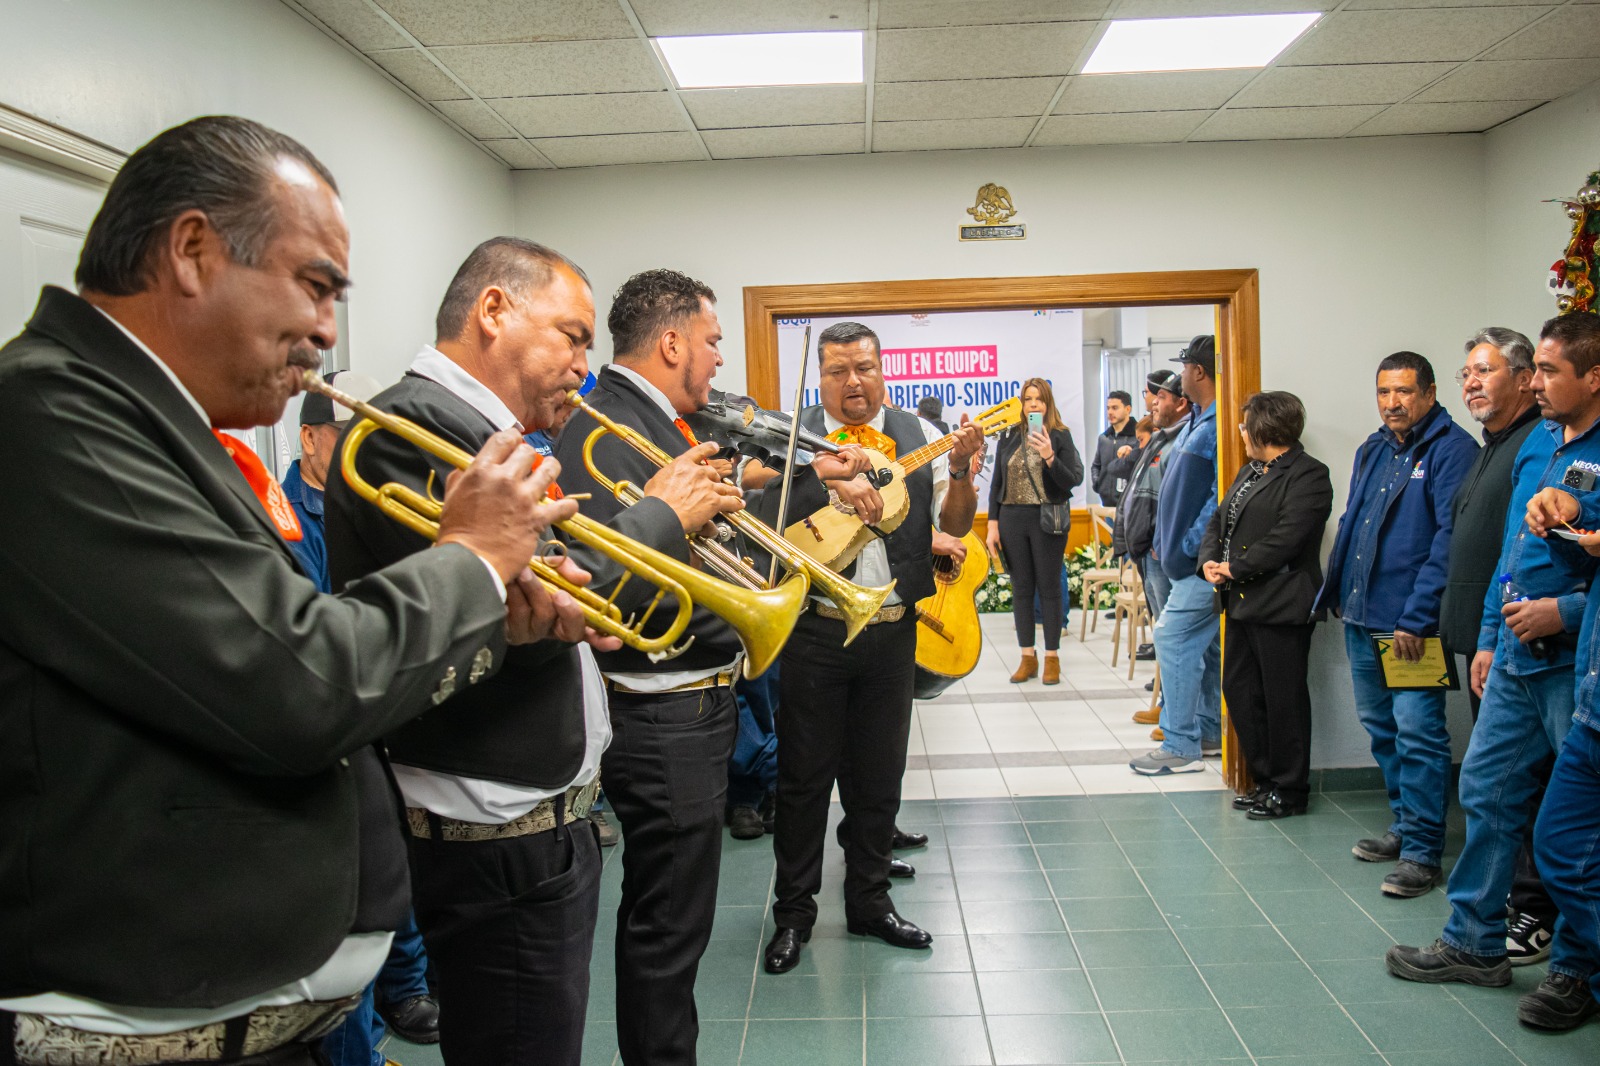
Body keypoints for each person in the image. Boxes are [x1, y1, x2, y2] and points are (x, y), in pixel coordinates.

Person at [0, 116, 576, 1066]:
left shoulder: (159, 425)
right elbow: (299, 685)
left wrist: (492, 618)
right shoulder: (52, 412)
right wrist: (471, 558)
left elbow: (275, 642)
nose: (327, 329)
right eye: (315, 286)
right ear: (191, 251)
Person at [325, 237, 630, 1066]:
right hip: (493, 828)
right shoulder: (419, 423)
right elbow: (475, 618)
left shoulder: (486, 431)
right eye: (573, 335)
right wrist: (661, 518)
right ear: (494, 311)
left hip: (530, 819)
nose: (584, 363)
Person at [552, 268, 756, 1066]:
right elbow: (608, 584)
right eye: (711, 342)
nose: (716, 363)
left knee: (676, 924)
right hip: (661, 710)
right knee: (668, 930)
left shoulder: (652, 419)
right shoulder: (610, 424)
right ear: (671, 342)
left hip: (688, 704)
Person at [1386, 313, 1600, 1031]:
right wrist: (1485, 635)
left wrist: (1564, 614)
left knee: (1578, 826)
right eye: (1533, 369)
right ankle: (1475, 942)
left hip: (1575, 659)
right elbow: (1512, 549)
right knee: (1484, 788)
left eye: (1548, 372)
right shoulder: (1538, 441)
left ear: (1593, 378)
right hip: (1512, 655)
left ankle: (1576, 966)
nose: (1535, 384)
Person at [760, 321, 981, 975]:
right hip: (815, 628)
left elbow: (956, 523)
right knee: (802, 782)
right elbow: (764, 510)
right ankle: (794, 915)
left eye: (864, 367)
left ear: (883, 369)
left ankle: (870, 904)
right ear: (819, 377)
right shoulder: (792, 432)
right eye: (837, 370)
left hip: (891, 631)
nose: (852, 382)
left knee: (879, 777)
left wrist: (964, 468)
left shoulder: (915, 434)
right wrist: (822, 478)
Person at [288, 371, 445, 1062]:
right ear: (311, 438)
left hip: (381, 689)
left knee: (394, 863)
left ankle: (405, 988)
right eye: (344, 437)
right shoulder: (285, 509)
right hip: (337, 696)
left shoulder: (374, 500)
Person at [1314, 351, 1479, 897]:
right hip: (1362, 618)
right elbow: (1354, 521)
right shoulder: (1375, 447)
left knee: (1419, 734)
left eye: (1404, 392)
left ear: (1430, 393)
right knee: (1383, 730)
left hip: (1413, 629)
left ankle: (1423, 852)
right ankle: (1405, 826)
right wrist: (1336, 591)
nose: (1392, 403)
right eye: (1384, 392)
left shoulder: (1453, 452)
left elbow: (1448, 544)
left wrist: (1416, 618)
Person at [1438, 327, 1553, 960]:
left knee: (1533, 788)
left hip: (1540, 646)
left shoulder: (1535, 442)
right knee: (1493, 783)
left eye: (1484, 371)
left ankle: (1533, 912)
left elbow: (1533, 554)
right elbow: (1498, 546)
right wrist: (1481, 633)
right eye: (1467, 374)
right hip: (1495, 639)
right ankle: (1495, 914)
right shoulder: (1498, 445)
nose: (1472, 383)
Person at [1199, 391, 1333, 818]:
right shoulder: (1252, 470)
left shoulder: (1309, 475)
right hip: (1241, 602)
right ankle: (1265, 780)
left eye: (1244, 425)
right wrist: (1208, 560)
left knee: (1283, 701)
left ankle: (1290, 789)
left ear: (1263, 428)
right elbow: (1219, 519)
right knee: (1240, 691)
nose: (1240, 432)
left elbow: (1287, 539)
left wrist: (1233, 567)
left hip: (1282, 604)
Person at [1131, 335, 1223, 774]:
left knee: (1172, 638)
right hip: (1179, 560)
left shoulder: (1218, 425)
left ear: (1198, 372)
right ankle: (1206, 732)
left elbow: (1218, 498)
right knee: (1202, 649)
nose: (1180, 374)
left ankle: (1181, 744)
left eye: (1184, 367)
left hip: (1197, 566)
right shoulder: (1198, 421)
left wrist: (1190, 546)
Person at [984, 377, 1084, 685]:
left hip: (1047, 520)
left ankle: (1052, 656)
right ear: (1022, 404)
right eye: (1028, 399)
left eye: (1039, 399)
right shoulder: (1010, 436)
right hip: (1012, 518)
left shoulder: (1060, 435)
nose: (1033, 405)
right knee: (1022, 589)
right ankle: (1027, 656)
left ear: (1048, 403)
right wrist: (992, 524)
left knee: (1050, 588)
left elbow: (1074, 479)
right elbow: (997, 482)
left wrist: (1050, 456)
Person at [1115, 369, 1191, 686]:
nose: (1152, 405)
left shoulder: (1183, 440)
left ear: (1181, 403)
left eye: (1160, 398)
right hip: (1149, 550)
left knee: (1173, 637)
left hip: (1162, 552)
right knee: (1163, 632)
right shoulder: (1161, 437)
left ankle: (1173, 712)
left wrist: (1161, 543)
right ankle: (1166, 705)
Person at [283, 370, 382, 592]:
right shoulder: (289, 526)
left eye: (373, 436)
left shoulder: (372, 500)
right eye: (349, 436)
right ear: (309, 439)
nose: (363, 449)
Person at [1091, 389, 1138, 506]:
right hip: (1107, 503)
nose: (1110, 412)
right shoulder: (1104, 438)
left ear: (1128, 409)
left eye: (1115, 408)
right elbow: (1096, 466)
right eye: (1108, 408)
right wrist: (1098, 484)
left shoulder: (1138, 437)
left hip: (1130, 505)